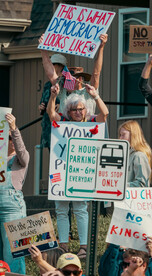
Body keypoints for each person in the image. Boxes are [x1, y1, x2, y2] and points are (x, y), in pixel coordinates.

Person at [47, 83, 109, 258]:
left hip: (81, 174)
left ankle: (83, 246)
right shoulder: (63, 122)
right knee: (61, 208)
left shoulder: (91, 122)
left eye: (80, 109)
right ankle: (64, 245)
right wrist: (53, 97)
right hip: (62, 171)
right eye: (73, 110)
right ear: (68, 111)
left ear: (85, 110)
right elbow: (51, 114)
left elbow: (105, 114)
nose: (77, 112)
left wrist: (95, 96)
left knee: (81, 208)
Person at [0, 113, 29, 274]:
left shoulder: (21, 159)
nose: (13, 141)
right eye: (9, 138)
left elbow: (21, 149)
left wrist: (14, 129)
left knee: (14, 252)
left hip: (12, 209)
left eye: (13, 137)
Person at [40, 34, 108, 114]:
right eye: (66, 78)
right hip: (64, 126)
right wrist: (43, 50)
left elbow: (96, 74)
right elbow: (50, 73)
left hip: (85, 126)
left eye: (71, 78)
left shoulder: (89, 92)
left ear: (80, 79)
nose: (66, 80)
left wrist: (101, 47)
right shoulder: (62, 92)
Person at [119, 120, 152, 187]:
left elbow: (142, 184)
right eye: (120, 135)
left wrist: (120, 186)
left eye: (123, 135)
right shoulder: (127, 155)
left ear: (133, 135)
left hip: (132, 196)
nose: (120, 138)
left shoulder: (139, 156)